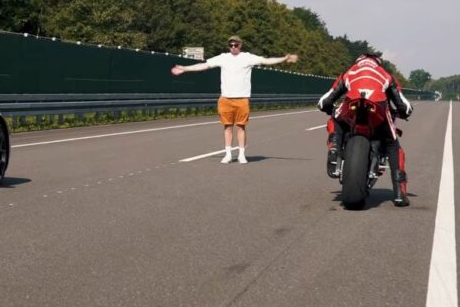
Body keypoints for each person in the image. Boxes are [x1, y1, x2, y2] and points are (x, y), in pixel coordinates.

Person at [171, 36, 299, 164]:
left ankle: (241, 155)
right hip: (225, 98)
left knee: (241, 127)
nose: (233, 47)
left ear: (240, 45)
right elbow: (204, 65)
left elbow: (266, 61)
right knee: (227, 127)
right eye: (231, 45)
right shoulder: (223, 58)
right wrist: (185, 68)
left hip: (242, 99)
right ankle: (228, 154)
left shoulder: (247, 57)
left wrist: (284, 58)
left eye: (235, 45)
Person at [317, 52, 413, 206]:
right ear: (377, 62)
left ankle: (334, 149)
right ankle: (399, 193)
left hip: (351, 105)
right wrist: (402, 113)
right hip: (379, 108)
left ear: (359, 61)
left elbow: (324, 101)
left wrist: (329, 109)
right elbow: (405, 107)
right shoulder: (386, 75)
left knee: (335, 119)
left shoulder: (350, 72)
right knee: (393, 146)